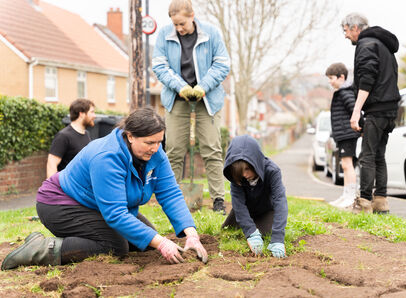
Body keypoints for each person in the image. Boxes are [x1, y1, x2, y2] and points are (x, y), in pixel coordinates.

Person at [1, 107, 208, 270]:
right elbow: (116, 215)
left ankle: (78, 238)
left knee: (144, 240)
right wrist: (163, 243)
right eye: (149, 142)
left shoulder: (155, 154)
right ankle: (41, 248)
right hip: (60, 203)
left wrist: (191, 235)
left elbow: (170, 193)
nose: (155, 148)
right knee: (115, 245)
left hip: (94, 205)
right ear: (130, 136)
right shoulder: (107, 157)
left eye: (159, 142)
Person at [152, 0, 230, 215]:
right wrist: (180, 86)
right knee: (174, 150)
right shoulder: (165, 35)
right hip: (177, 99)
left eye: (182, 24)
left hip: (208, 99)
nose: (179, 29)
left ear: (192, 16)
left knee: (211, 150)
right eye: (175, 24)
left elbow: (222, 64)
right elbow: (159, 65)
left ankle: (218, 201)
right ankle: (171, 200)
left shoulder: (211, 34)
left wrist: (204, 86)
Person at [341, 13, 400, 213]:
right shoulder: (383, 45)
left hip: (376, 109)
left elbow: (367, 79)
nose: (346, 35)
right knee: (378, 155)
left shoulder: (366, 45)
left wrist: (356, 111)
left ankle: (364, 202)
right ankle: (381, 202)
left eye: (346, 30)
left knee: (366, 155)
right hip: (391, 109)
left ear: (355, 28)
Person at [221, 135, 288, 258]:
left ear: (255, 161)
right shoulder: (237, 178)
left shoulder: (272, 171)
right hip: (243, 211)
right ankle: (249, 228)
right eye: (240, 171)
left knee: (266, 232)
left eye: (247, 168)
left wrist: (278, 238)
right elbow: (238, 204)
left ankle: (260, 229)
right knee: (230, 230)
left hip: (265, 210)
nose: (245, 174)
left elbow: (280, 202)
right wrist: (250, 232)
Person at [325, 63, 361, 208]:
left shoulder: (346, 93)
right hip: (342, 135)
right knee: (345, 165)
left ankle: (351, 197)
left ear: (341, 77)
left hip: (348, 134)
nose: (329, 81)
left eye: (331, 78)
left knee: (347, 165)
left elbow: (354, 111)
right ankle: (345, 195)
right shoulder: (341, 92)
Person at [46, 98, 96, 178]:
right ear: (81, 114)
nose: (94, 116)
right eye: (92, 112)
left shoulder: (86, 134)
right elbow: (51, 164)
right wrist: (52, 189)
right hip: (66, 188)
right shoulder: (63, 136)